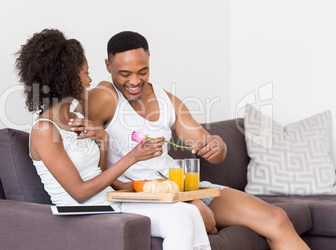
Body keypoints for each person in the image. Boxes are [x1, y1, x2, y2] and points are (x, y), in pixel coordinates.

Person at [87, 31, 310, 249]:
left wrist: (217, 145)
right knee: (200, 213)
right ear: (108, 66)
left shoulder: (167, 101)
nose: (135, 81)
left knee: (276, 217)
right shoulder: (103, 98)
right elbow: (80, 152)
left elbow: (210, 148)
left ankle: (208, 219)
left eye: (143, 71)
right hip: (143, 195)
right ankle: (208, 221)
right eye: (125, 74)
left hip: (185, 188)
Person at [15, 28, 211, 250]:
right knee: (180, 220)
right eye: (85, 72)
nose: (90, 80)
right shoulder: (43, 130)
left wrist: (104, 141)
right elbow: (79, 193)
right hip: (83, 214)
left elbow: (97, 173)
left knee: (190, 212)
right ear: (66, 77)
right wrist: (132, 157)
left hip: (110, 202)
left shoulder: (76, 118)